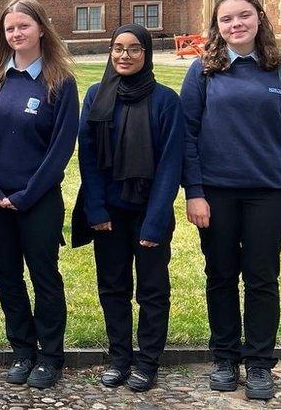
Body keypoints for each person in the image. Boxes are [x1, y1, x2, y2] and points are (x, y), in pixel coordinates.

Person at [180, 0, 281, 401]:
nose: (236, 25)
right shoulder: (202, 71)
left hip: (269, 191)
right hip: (217, 192)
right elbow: (188, 136)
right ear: (216, 26)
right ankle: (225, 357)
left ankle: (261, 362)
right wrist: (194, 192)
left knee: (262, 278)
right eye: (226, 19)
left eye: (243, 16)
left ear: (259, 18)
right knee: (221, 275)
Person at [0, 0, 78, 390]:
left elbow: (61, 149)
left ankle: (50, 356)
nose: (17, 34)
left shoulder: (60, 82)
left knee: (44, 277)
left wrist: (28, 194)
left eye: (24, 26)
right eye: (10, 28)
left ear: (41, 29)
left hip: (38, 200)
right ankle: (22, 349)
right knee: (8, 278)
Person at [73, 24, 184, 392]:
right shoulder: (95, 96)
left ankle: (148, 361)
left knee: (152, 290)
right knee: (113, 287)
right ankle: (120, 357)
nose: (124, 55)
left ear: (146, 53)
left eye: (134, 49)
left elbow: (171, 164)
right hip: (110, 211)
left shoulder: (166, 100)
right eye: (118, 48)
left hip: (149, 210)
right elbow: (87, 158)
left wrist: (154, 223)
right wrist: (96, 210)